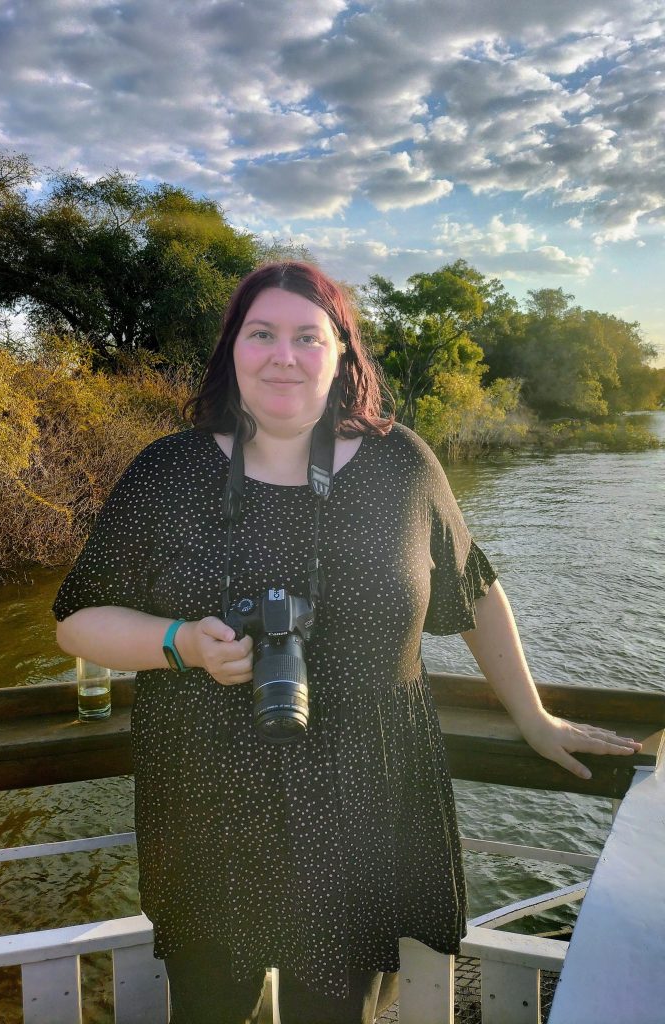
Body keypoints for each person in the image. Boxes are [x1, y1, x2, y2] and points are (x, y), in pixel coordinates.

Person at [52, 261, 642, 1024]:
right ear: (233, 350)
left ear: (342, 355)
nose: (284, 355)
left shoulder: (402, 464)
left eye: (308, 336)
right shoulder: (169, 471)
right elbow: (77, 616)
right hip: (206, 816)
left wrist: (533, 717)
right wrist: (181, 642)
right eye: (261, 334)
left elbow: (475, 590)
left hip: (364, 813)